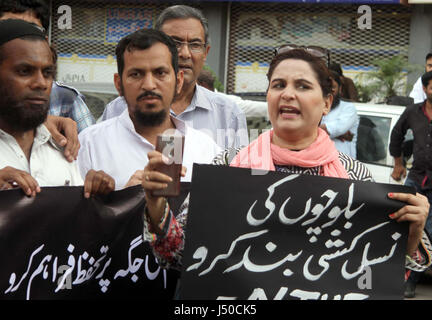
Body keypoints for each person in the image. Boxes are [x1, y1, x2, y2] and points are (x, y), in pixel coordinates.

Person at [141, 49, 431, 279]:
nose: (288, 94)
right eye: (278, 85)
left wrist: (413, 233)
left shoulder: (354, 177)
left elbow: (375, 273)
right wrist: (156, 207)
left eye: (303, 86)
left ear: (327, 102)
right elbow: (178, 255)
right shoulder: (228, 165)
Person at [78, 29, 221, 190]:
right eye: (136, 74)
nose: (149, 85)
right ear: (119, 84)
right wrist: (124, 198)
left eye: (160, 73)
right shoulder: (89, 145)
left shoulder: (207, 151)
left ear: (179, 81)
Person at [101, 5, 248, 150]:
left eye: (195, 44)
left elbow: (239, 172)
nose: (185, 53)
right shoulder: (117, 109)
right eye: (175, 43)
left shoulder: (228, 115)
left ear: (205, 53)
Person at [0, 19, 114, 198]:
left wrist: (94, 199)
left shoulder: (62, 147)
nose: (41, 83)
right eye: (24, 71)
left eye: (47, 73)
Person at [0, 0, 96, 132]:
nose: (40, 84)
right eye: (10, 28)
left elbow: (91, 146)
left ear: (44, 41)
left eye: (31, 30)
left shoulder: (65, 99)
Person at [390, 70, 432, 298]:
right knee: (403, 226)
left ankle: (411, 282)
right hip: (415, 179)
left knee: (427, 231)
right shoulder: (413, 112)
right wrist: (398, 163)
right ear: (425, 89)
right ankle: (397, 276)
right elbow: (396, 135)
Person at [320, 70, 359, 159]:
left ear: (340, 89)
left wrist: (310, 130)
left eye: (333, 87)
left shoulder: (348, 108)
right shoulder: (315, 107)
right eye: (326, 87)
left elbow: (335, 129)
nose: (330, 91)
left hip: (343, 164)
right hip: (317, 162)